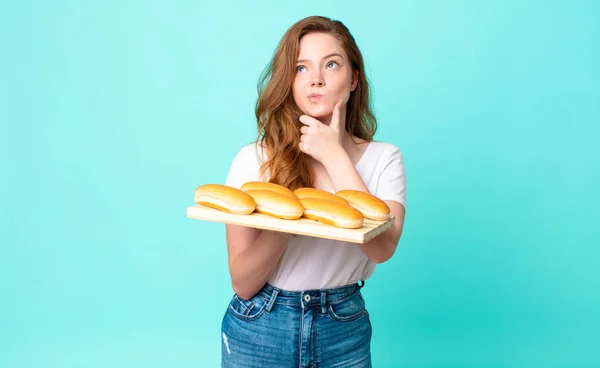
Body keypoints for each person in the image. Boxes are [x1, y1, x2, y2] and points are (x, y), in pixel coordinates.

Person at [220, 15, 406, 368]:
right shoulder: (254, 159)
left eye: (331, 65)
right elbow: (243, 283)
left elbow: (382, 248)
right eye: (301, 68)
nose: (316, 79)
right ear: (289, 82)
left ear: (353, 79)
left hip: (342, 326)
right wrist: (289, 217)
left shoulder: (385, 158)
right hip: (260, 324)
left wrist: (334, 155)